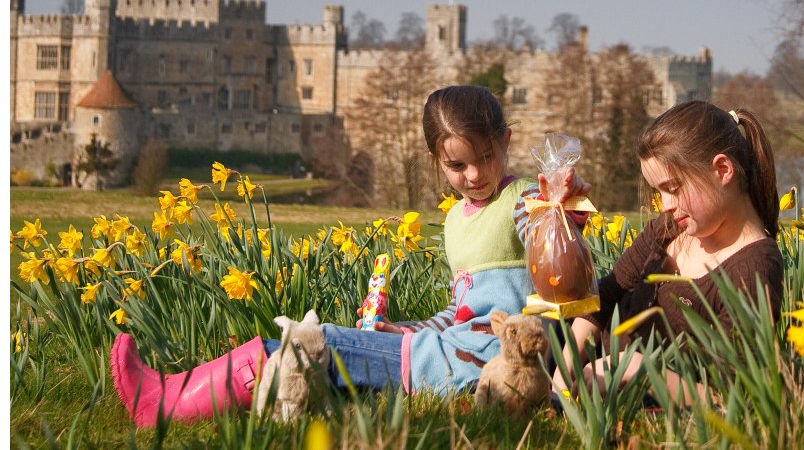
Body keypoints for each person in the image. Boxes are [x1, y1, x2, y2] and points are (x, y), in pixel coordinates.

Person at [110, 85, 591, 426]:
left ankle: (164, 403)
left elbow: (548, 250)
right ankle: (175, 395)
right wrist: (402, 329)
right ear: (435, 161)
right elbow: (458, 311)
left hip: (486, 366)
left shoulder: (523, 197)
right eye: (457, 165)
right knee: (322, 351)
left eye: (485, 157)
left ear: (505, 142)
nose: (473, 174)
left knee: (312, 342)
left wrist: (559, 216)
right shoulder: (455, 222)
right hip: (442, 353)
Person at [552, 100, 783, 406]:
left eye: (673, 188)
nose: (666, 205)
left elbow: (729, 395)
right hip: (591, 368)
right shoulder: (670, 228)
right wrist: (565, 368)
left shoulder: (754, 269)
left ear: (722, 170)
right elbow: (607, 294)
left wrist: (637, 370)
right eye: (658, 192)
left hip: (642, 394)